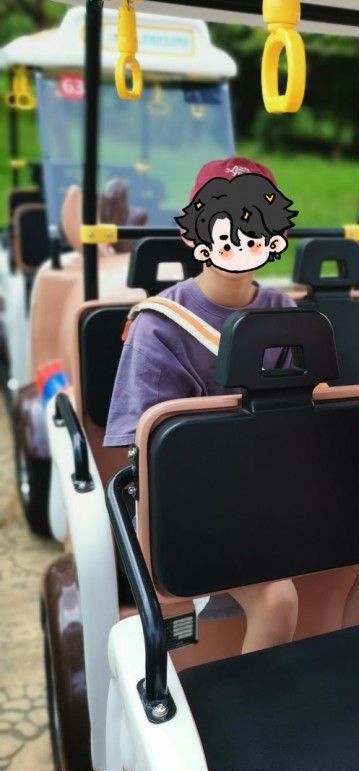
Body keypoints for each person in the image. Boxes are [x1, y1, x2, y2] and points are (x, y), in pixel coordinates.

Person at [105, 156, 299, 653]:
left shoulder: (288, 316)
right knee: (277, 598)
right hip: (192, 506)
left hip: (275, 494)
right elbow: (147, 453)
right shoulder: (158, 324)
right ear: (192, 235)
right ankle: (258, 700)